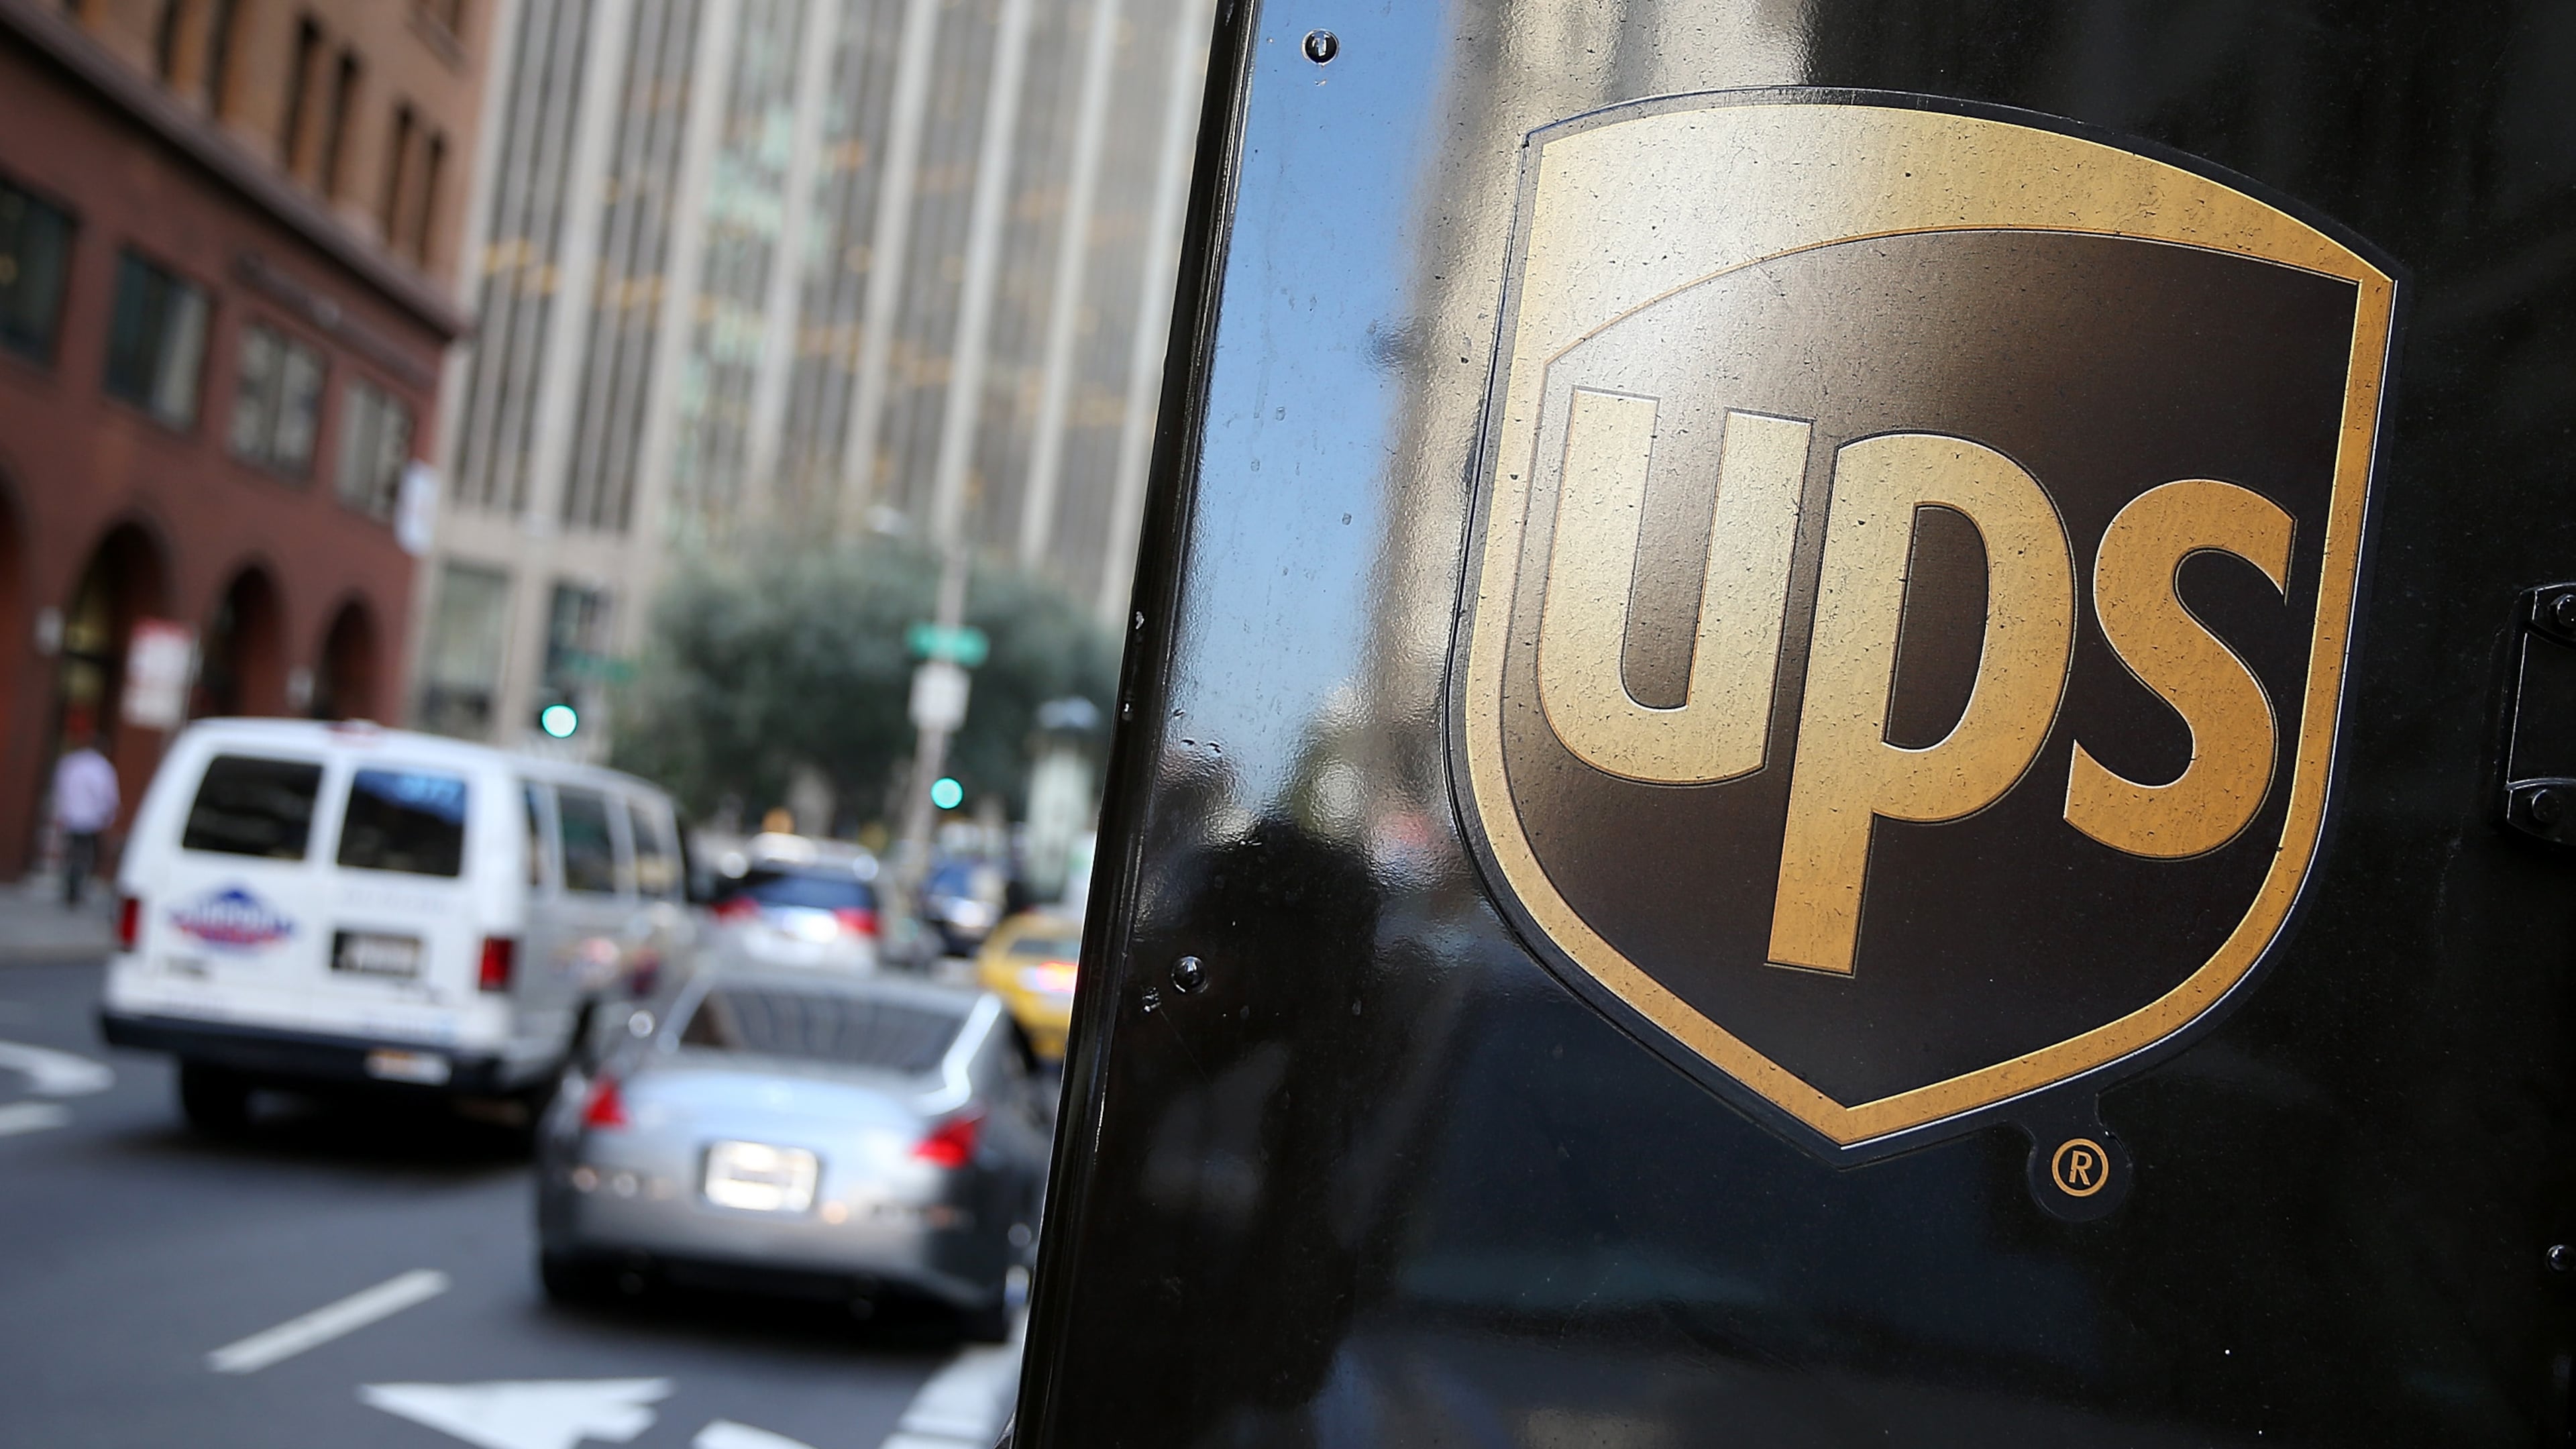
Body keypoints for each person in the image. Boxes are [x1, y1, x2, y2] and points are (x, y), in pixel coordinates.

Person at [50, 727, 118, 908]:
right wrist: (108, 816)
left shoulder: (72, 763)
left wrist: (61, 811)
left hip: (71, 816)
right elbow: (106, 795)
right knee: (84, 856)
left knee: (72, 854)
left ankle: (69, 889)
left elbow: (60, 788)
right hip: (89, 819)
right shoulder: (102, 768)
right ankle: (76, 890)